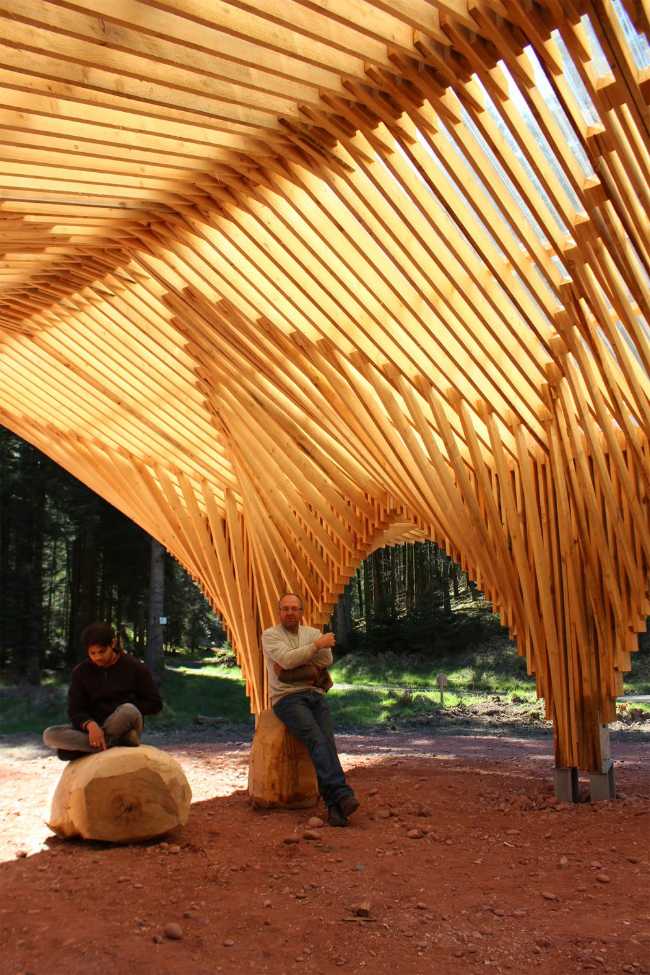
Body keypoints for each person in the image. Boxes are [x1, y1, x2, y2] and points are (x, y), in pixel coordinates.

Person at [262, 594, 359, 827]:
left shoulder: (310, 632)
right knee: (316, 739)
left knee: (326, 742)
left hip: (315, 693)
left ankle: (336, 808)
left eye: (294, 608)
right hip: (287, 698)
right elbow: (286, 661)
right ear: (279, 612)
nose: (290, 612)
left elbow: (325, 660)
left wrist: (302, 659)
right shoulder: (271, 635)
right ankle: (342, 794)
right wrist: (314, 647)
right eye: (285, 609)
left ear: (301, 612)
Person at [43, 621, 163, 761]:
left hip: (123, 721)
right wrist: (90, 724)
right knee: (49, 735)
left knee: (129, 709)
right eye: (92, 653)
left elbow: (155, 704)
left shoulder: (135, 667)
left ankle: (91, 745)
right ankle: (118, 741)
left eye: (102, 651)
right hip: (94, 728)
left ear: (112, 644)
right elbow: (75, 709)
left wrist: (120, 706)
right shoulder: (81, 672)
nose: (97, 657)